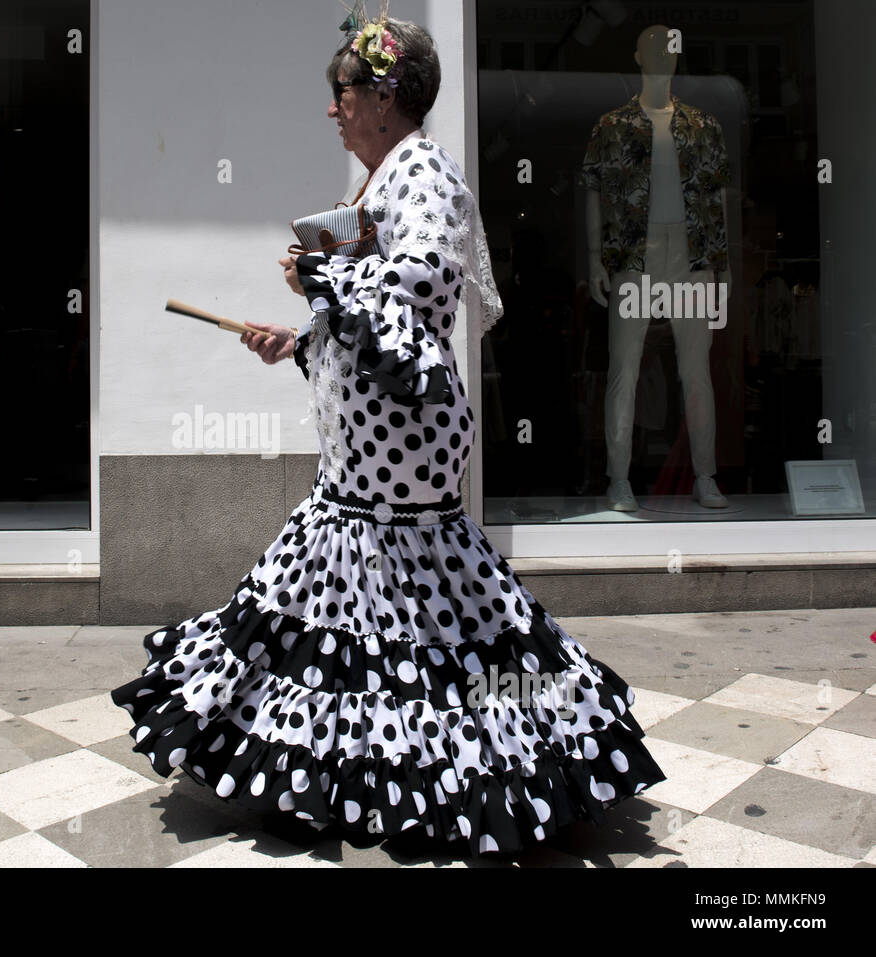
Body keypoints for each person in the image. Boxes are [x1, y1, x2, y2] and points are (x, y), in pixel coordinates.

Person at [110, 10, 666, 857]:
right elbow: (368, 327)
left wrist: (324, 277)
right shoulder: (376, 185)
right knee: (357, 612)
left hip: (401, 456)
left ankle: (495, 761)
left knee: (422, 610)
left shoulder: (428, 178)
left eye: (339, 94)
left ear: (381, 97)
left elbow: (416, 305)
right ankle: (362, 773)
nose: (329, 111)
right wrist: (297, 340)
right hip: (365, 455)